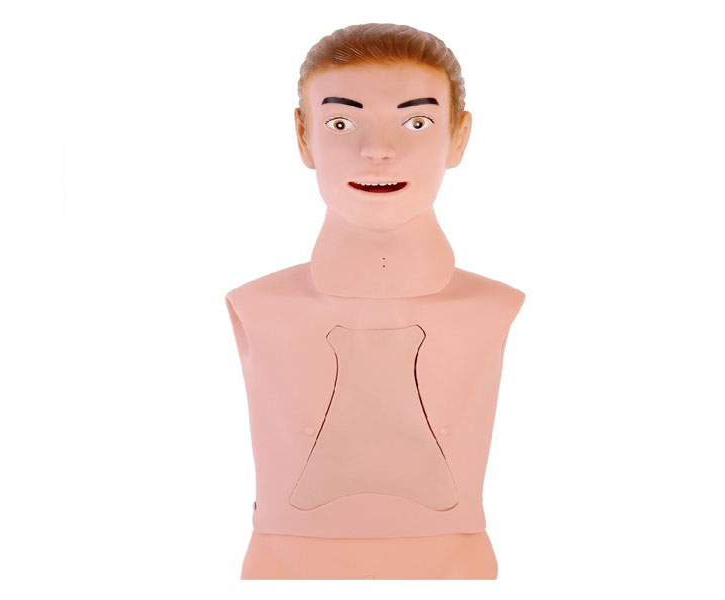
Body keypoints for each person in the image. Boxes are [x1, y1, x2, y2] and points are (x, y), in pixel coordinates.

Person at [225, 23, 526, 579]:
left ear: (458, 137)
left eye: (417, 122)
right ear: (304, 137)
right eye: (341, 123)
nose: (378, 150)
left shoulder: (494, 306)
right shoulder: (257, 305)